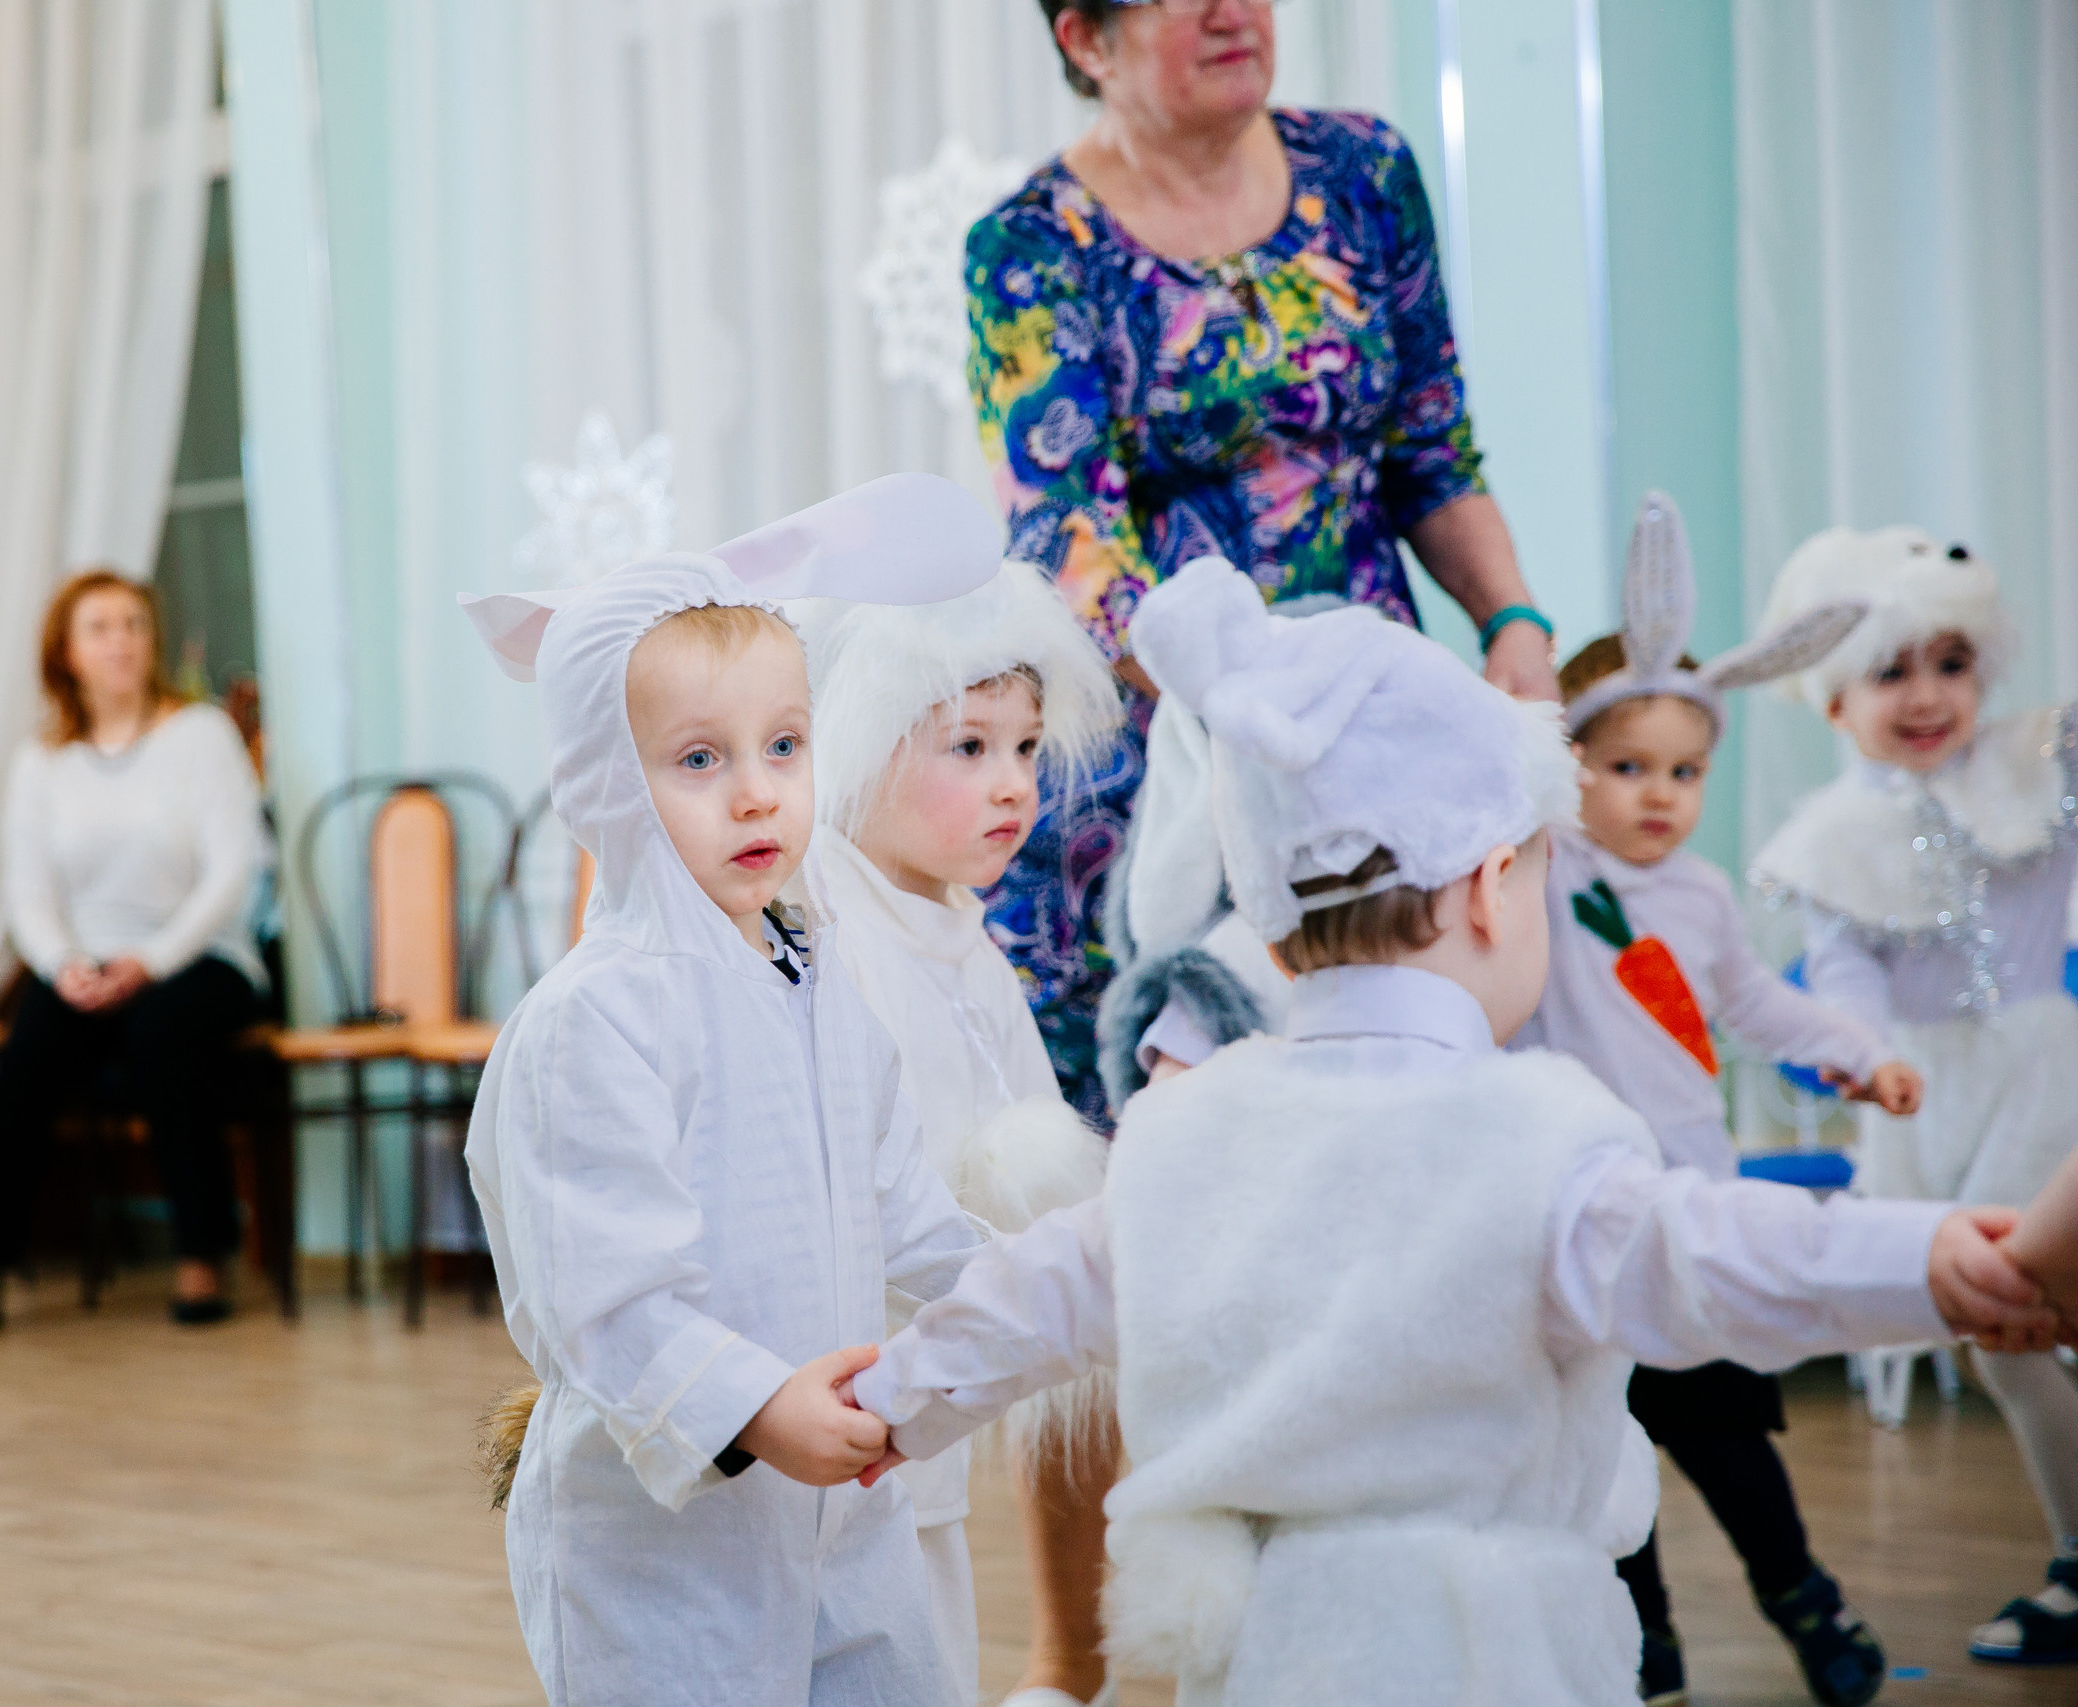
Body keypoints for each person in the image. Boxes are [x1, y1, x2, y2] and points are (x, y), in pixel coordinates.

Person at [848, 560, 2060, 1707]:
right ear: (1490, 885)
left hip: (1262, 1654)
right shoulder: (1537, 1135)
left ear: (1270, 936)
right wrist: (1936, 1261)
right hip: (1491, 1654)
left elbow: (1036, 1290)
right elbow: (1723, 1255)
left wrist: (883, 1402)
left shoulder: (1184, 1134)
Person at [457, 476, 997, 1707]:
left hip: (848, 1519)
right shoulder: (592, 1024)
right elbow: (601, 1299)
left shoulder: (821, 985)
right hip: (663, 1545)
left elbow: (906, 1209)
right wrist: (754, 1409)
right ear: (607, 781)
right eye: (700, 759)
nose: (757, 791)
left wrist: (1030, 1294)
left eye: (784, 746)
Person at [972, 0, 1561, 1120]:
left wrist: (1514, 629)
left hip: (1371, 737)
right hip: (1162, 756)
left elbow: (1433, 452)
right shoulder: (1031, 246)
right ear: (1084, 40)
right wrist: (1249, 704)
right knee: (1175, 1130)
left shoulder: (1363, 172)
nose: (1233, 10)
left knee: (1393, 1106)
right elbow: (1068, 543)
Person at [1516, 493, 1922, 1706]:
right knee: (1604, 1454)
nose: (1660, 794)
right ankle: (1645, 1646)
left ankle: (1801, 1597)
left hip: (1689, 1208)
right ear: (1565, 767)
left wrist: (1854, 1050)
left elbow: (1755, 1005)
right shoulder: (1539, 873)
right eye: (1627, 766)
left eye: (1685, 771)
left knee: (1728, 1434)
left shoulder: (1697, 893)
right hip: (1576, 1220)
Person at [1750, 526, 2078, 1667]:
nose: (1928, 695)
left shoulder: (2043, 764)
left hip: (2050, 1079)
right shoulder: (1830, 844)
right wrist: (1859, 1054)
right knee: (2005, 1334)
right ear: (1834, 701)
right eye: (1890, 672)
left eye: (1950, 662)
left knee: (2017, 1303)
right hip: (1929, 1098)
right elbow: (1842, 981)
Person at [802, 565, 1125, 1707]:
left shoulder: (968, 944)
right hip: (832, 1383)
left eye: (1026, 749)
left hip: (922, 1391)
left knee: (920, 1629)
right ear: (865, 740)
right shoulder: (821, 925)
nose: (1013, 786)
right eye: (968, 747)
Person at [0, 570, 268, 1336]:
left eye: (133, 623)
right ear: (67, 652)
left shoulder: (202, 735)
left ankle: (200, 1254)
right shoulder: (40, 762)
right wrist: (65, 966)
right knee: (29, 1047)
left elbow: (234, 869)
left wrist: (151, 959)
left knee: (162, 1032)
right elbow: (27, 895)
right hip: (84, 962)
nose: (121, 640)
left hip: (200, 956)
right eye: (100, 627)